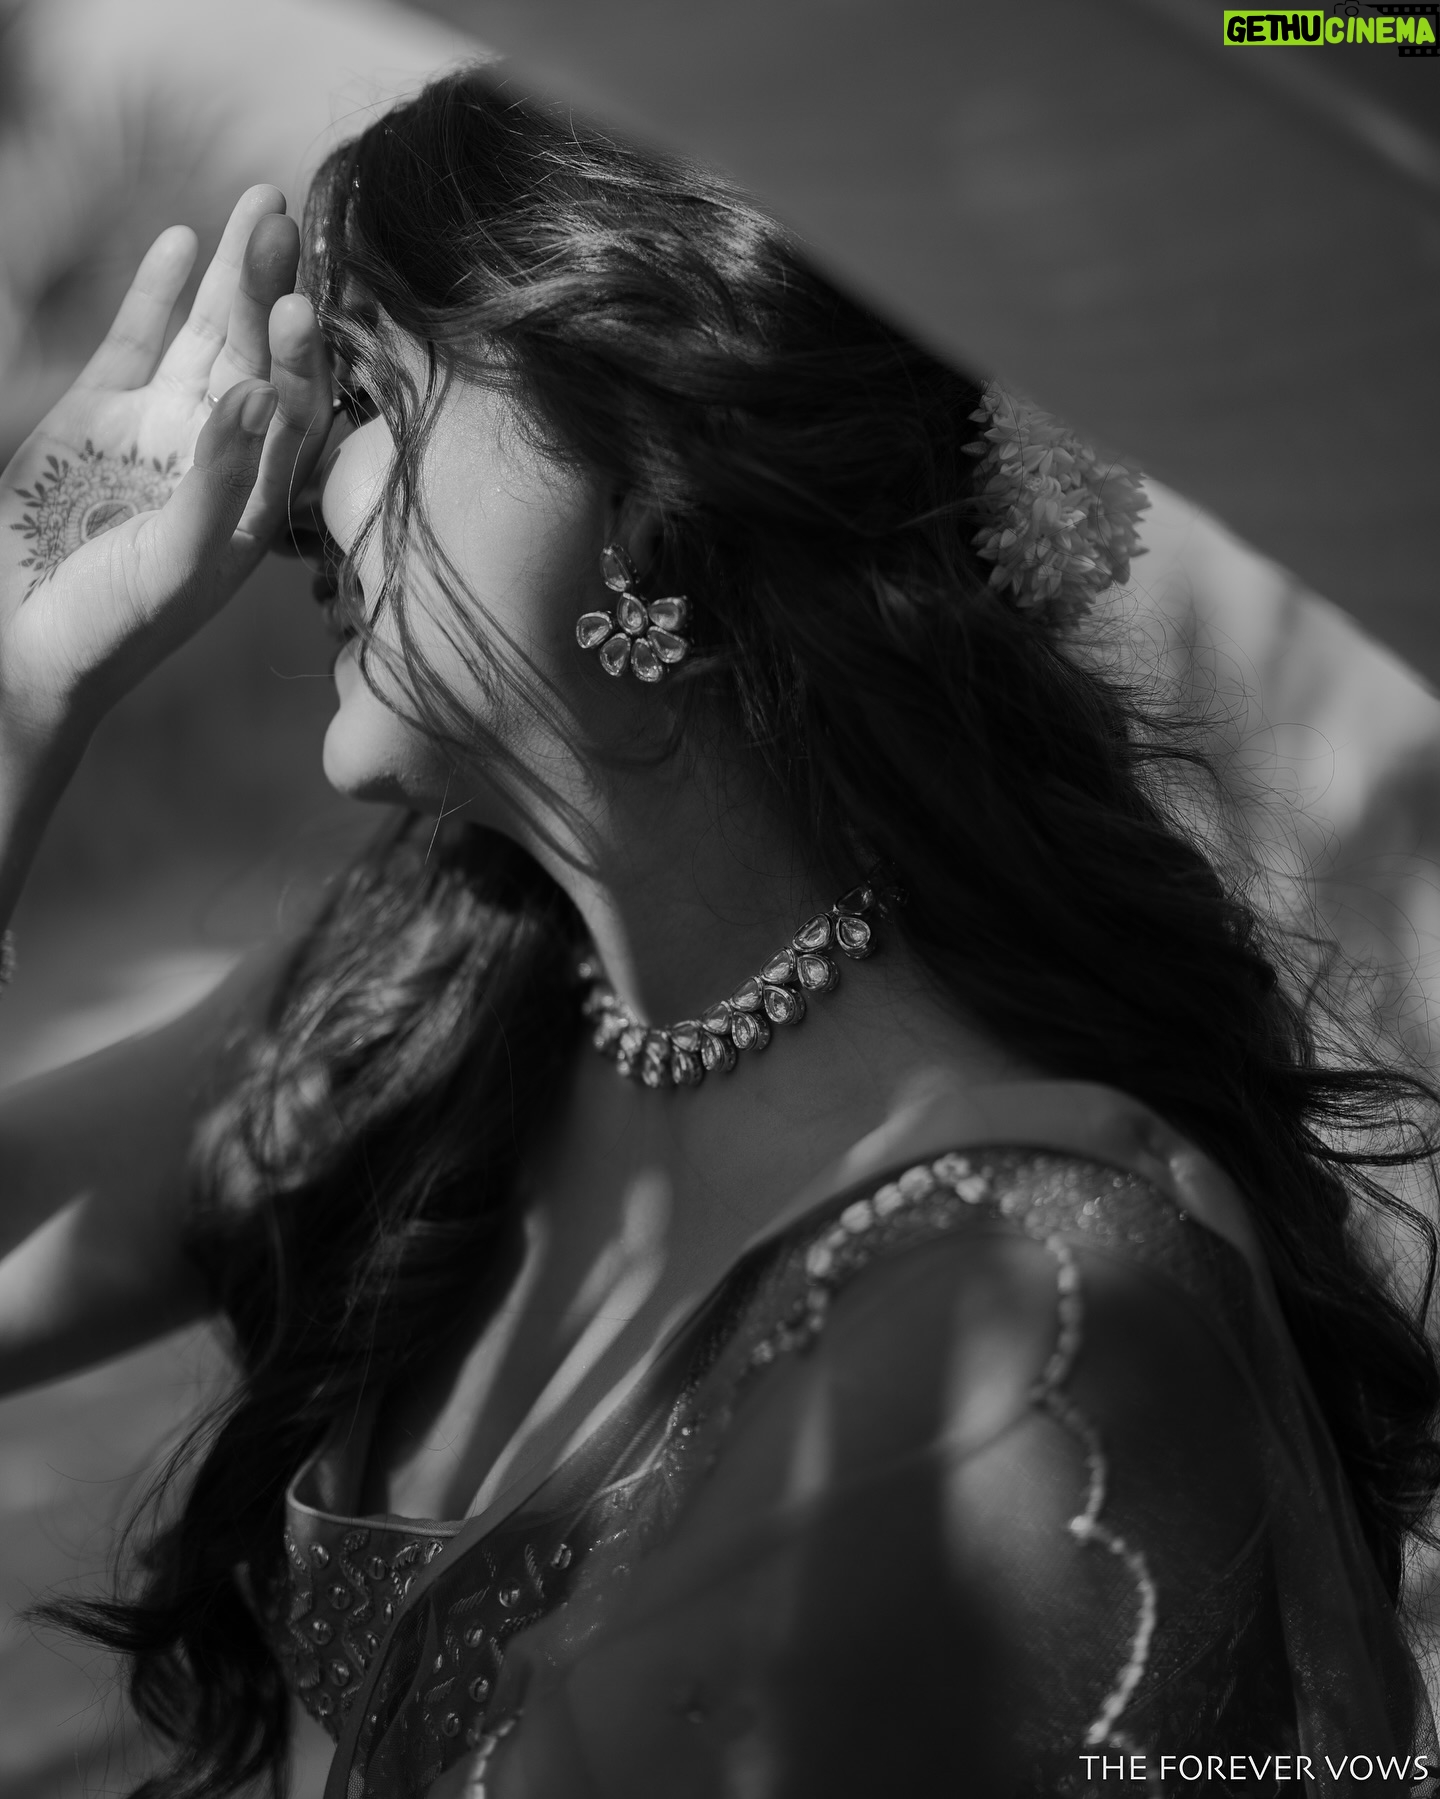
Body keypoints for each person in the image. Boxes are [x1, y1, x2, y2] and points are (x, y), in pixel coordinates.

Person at [0, 64, 1437, 1798]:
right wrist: (20, 669)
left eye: (368, 392)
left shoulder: (1023, 1291)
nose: (296, 488)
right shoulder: (437, 1004)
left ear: (648, 493)